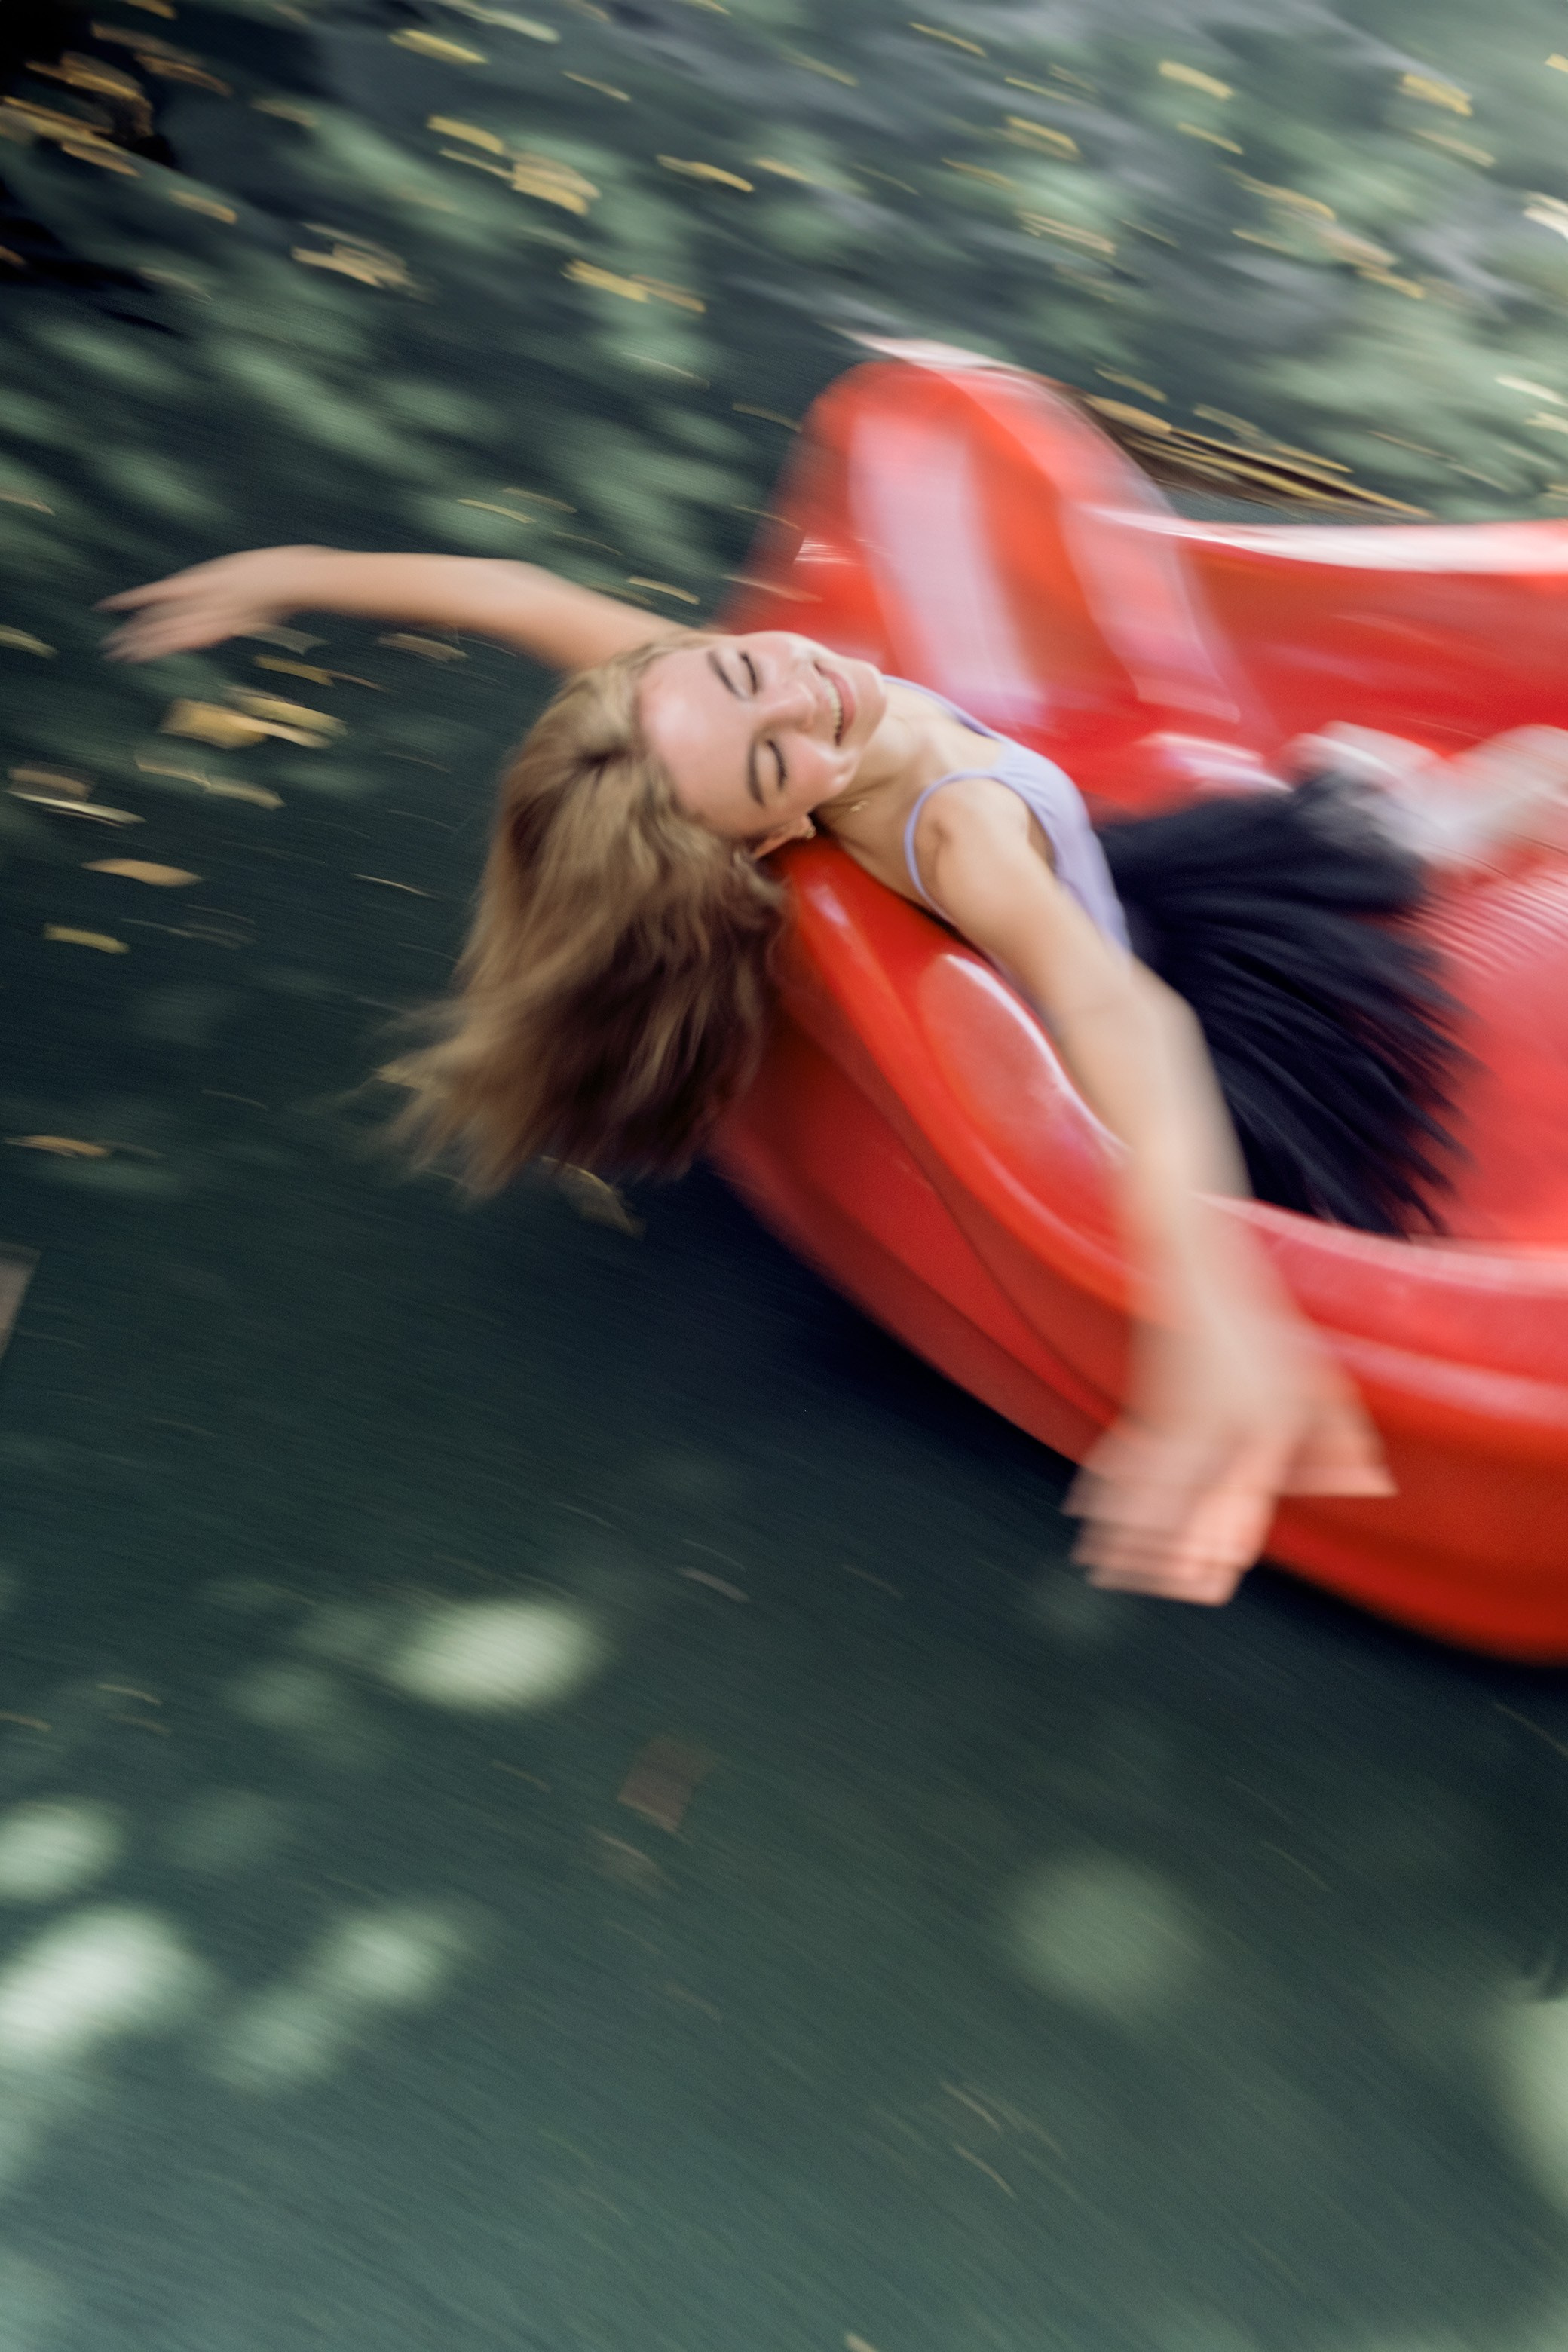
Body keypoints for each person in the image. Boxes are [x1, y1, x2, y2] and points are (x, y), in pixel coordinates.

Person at [99, 545, 1568, 1609]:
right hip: (1167, 984)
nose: (810, 706)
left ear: (676, 661)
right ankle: (1441, 811)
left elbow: (514, 596)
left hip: (1143, 880)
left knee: (1336, 831)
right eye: (771, 762)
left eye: (748, 675)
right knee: (1438, 821)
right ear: (757, 840)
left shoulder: (681, 697)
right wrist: (1209, 1314)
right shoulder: (948, 835)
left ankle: (1393, 813)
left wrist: (290, 572)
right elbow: (1118, 1020)